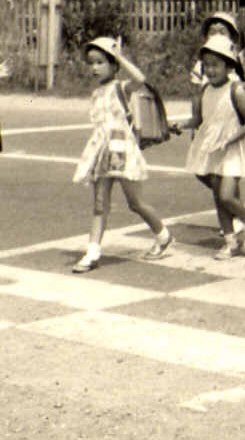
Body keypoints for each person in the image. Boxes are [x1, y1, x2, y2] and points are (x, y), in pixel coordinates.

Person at [69, 37, 173, 271]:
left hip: (122, 150)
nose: (94, 68)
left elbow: (140, 79)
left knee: (135, 203)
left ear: (113, 65)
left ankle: (164, 235)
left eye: (100, 62)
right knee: (99, 204)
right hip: (101, 150)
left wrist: (120, 57)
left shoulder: (120, 87)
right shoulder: (96, 92)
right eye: (91, 63)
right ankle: (92, 252)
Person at [184, 33, 245, 259]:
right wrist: (180, 125)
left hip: (232, 148)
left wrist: (231, 139)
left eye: (215, 65)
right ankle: (230, 241)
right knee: (218, 197)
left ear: (228, 66)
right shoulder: (205, 90)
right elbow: (198, 119)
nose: (210, 70)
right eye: (206, 65)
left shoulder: (236, 89)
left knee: (226, 196)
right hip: (212, 147)